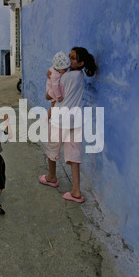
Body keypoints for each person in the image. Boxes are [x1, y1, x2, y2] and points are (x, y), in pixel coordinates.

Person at [39, 47, 97, 203]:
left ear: (81, 62)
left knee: (52, 147)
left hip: (60, 120)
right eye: (69, 56)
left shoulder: (64, 78)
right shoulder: (80, 76)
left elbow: (48, 96)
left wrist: (50, 78)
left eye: (72, 58)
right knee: (74, 154)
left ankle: (51, 177)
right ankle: (76, 191)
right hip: (75, 121)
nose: (68, 59)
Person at [46, 51, 71, 119]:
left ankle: (49, 118)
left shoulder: (54, 68)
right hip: (52, 90)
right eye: (64, 69)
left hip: (50, 88)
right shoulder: (55, 75)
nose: (66, 70)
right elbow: (55, 87)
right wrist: (59, 97)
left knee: (53, 107)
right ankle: (48, 118)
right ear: (57, 68)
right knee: (53, 106)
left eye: (67, 68)